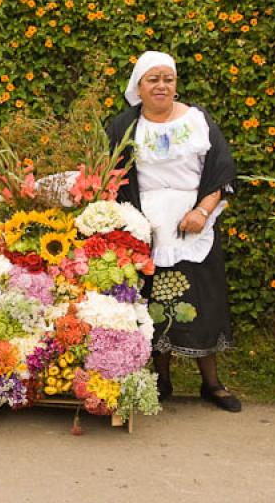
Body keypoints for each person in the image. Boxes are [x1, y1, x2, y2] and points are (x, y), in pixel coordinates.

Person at [106, 51, 241, 412]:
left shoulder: (198, 120)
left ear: (176, 85)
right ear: (139, 86)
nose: (162, 85)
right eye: (153, 79)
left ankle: (211, 384)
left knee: (202, 301)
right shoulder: (124, 126)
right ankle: (161, 381)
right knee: (152, 304)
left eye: (168, 78)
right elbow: (111, 176)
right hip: (144, 230)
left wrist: (202, 211)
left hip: (194, 226)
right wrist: (127, 224)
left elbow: (221, 169)